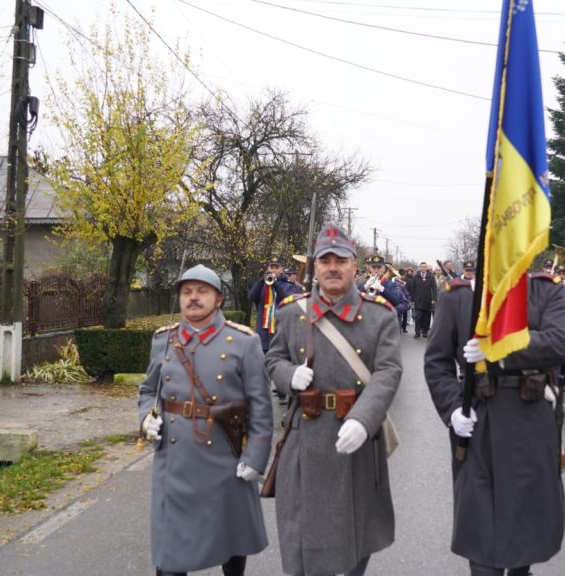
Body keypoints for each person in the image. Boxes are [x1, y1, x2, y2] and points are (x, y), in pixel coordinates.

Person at [265, 223, 402, 576]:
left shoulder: (379, 314)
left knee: (356, 530)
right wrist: (287, 376)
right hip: (304, 436)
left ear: (354, 267)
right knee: (300, 531)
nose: (332, 267)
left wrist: (364, 417)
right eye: (324, 261)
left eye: (340, 260)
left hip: (355, 437)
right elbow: (274, 358)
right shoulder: (292, 312)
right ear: (315, 268)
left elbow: (388, 371)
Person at [424, 269, 565, 576]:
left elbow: (558, 344)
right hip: (478, 420)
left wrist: (500, 345)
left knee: (525, 528)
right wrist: (452, 408)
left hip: (531, 419)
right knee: (480, 526)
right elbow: (437, 362)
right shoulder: (459, 296)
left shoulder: (546, 290)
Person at [139, 264, 273, 576]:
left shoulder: (243, 342)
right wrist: (147, 417)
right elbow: (148, 390)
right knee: (170, 555)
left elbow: (261, 405)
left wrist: (256, 456)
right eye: (187, 292)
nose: (193, 298)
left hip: (225, 457)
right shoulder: (163, 340)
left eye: (202, 291)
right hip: (174, 460)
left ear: (219, 299)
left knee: (232, 541)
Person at [249, 258, 302, 405]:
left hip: (280, 331)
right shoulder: (262, 286)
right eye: (271, 267)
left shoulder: (287, 285)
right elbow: (251, 297)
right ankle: (261, 392)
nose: (273, 270)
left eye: (276, 268)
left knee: (281, 360)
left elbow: (287, 298)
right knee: (261, 363)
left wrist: (276, 284)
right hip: (264, 331)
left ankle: (281, 389)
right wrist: (262, 280)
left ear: (281, 269)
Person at [409, 261, 437, 338]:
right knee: (417, 317)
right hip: (418, 300)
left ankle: (425, 332)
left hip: (428, 300)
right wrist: (413, 299)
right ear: (420, 267)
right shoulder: (415, 276)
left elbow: (434, 288)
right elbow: (412, 288)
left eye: (424, 267)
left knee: (426, 317)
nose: (423, 268)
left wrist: (434, 298)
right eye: (422, 267)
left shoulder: (431, 277)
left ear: (426, 268)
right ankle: (417, 332)